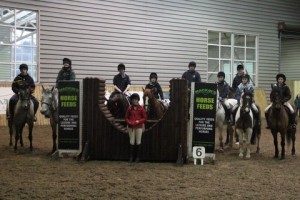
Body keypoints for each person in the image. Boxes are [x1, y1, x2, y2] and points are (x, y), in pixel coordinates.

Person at [125, 93, 147, 163]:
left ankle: (137, 158)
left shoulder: (141, 108)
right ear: (131, 101)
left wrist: (139, 121)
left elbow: (145, 118)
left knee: (138, 142)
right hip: (131, 127)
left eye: (136, 100)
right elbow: (126, 117)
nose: (135, 101)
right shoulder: (129, 108)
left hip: (139, 127)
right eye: (133, 100)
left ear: (138, 100)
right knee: (131, 142)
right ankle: (131, 157)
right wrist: (129, 122)